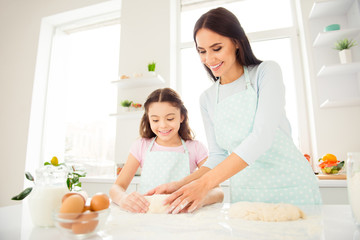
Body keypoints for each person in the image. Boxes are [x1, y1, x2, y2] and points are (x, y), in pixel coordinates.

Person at [148, 7, 322, 214]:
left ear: (237, 42)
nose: (209, 59)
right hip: (248, 194)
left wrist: (204, 185)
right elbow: (218, 156)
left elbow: (261, 137)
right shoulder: (208, 98)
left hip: (291, 188)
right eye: (202, 51)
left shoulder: (265, 73)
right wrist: (181, 184)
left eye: (217, 48)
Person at [109, 88, 224, 213]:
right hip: (148, 217)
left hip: (182, 218)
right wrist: (123, 199)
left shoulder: (196, 148)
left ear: (182, 117)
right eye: (155, 120)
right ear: (148, 119)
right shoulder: (141, 146)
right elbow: (117, 187)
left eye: (169, 119)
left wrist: (201, 198)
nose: (163, 125)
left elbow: (218, 192)